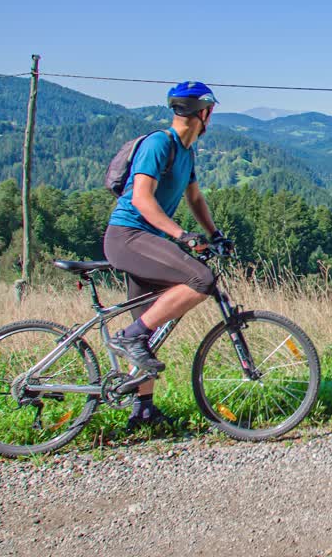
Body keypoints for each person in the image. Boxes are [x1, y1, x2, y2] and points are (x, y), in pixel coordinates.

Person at [103, 81, 231, 430]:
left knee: (150, 323)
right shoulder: (160, 144)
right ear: (203, 113)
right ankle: (129, 336)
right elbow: (141, 198)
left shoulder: (186, 152)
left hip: (146, 241)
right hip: (129, 237)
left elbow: (195, 199)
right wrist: (181, 235)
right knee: (201, 279)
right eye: (211, 112)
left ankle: (142, 410)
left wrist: (214, 234)